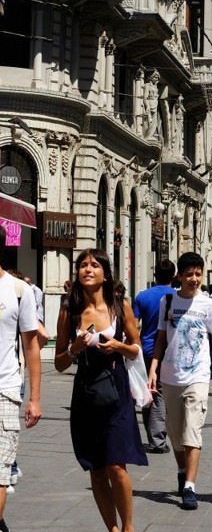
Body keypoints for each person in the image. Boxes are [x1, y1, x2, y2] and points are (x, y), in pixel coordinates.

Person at [54, 248, 146, 532]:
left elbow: (136, 348)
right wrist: (73, 348)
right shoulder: (69, 310)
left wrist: (117, 346)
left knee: (117, 466)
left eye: (94, 265)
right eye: (83, 265)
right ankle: (113, 529)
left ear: (106, 273)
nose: (88, 269)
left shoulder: (121, 306)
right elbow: (59, 362)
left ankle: (128, 528)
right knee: (96, 469)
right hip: (86, 392)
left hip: (116, 392)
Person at [148, 252, 212, 511]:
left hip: (198, 376)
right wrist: (152, 370)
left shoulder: (208, 304)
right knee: (175, 436)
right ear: (180, 276)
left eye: (198, 274)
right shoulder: (168, 301)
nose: (195, 279)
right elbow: (161, 339)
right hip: (170, 376)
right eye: (190, 274)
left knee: (192, 431)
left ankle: (189, 487)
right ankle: (182, 469)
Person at [0, 226, 41, 532]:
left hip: (5, 390)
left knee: (0, 472)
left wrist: (35, 398)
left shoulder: (18, 290)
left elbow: (31, 345)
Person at [132, 259, 176, 453]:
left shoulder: (143, 296)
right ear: (174, 276)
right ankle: (158, 439)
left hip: (148, 350)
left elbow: (133, 326)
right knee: (162, 394)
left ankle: (154, 436)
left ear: (155, 275)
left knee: (149, 392)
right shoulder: (178, 296)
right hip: (172, 352)